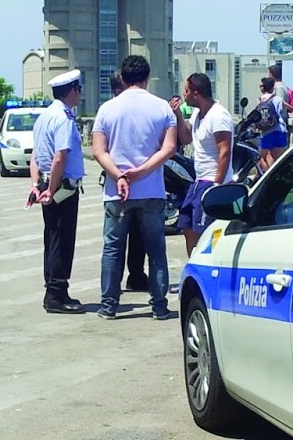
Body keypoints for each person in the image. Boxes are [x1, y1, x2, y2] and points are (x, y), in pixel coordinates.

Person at [92, 55, 177, 320]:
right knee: (156, 251)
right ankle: (159, 306)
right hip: (151, 191)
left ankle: (109, 306)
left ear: (123, 78)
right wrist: (141, 172)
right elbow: (169, 148)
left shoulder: (107, 109)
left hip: (116, 193)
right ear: (147, 78)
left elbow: (98, 151)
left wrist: (119, 175)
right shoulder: (162, 108)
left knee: (112, 250)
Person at [29, 69, 86, 315]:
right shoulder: (63, 118)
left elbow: (35, 156)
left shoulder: (44, 117)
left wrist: (36, 186)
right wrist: (52, 190)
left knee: (51, 238)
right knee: (62, 240)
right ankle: (56, 294)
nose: (79, 94)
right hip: (61, 187)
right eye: (78, 89)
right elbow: (60, 157)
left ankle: (53, 290)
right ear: (71, 91)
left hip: (45, 183)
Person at [170, 72, 234, 258]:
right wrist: (178, 115)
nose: (184, 94)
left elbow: (225, 152)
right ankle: (194, 264)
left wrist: (216, 187)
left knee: (205, 232)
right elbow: (186, 138)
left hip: (212, 181)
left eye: (186, 90)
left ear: (196, 93)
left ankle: (208, 264)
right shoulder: (198, 114)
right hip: (198, 181)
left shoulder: (219, 115)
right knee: (187, 226)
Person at [109, 72, 149, 292]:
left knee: (131, 237)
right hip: (131, 182)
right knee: (122, 239)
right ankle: (128, 278)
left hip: (121, 182)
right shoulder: (116, 110)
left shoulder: (109, 110)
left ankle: (130, 278)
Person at [257, 77, 288, 172]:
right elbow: (292, 108)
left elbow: (256, 116)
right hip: (280, 130)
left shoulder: (260, 100)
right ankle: (275, 176)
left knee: (260, 158)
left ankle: (267, 177)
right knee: (277, 159)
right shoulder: (278, 99)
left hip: (267, 132)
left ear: (263, 88)